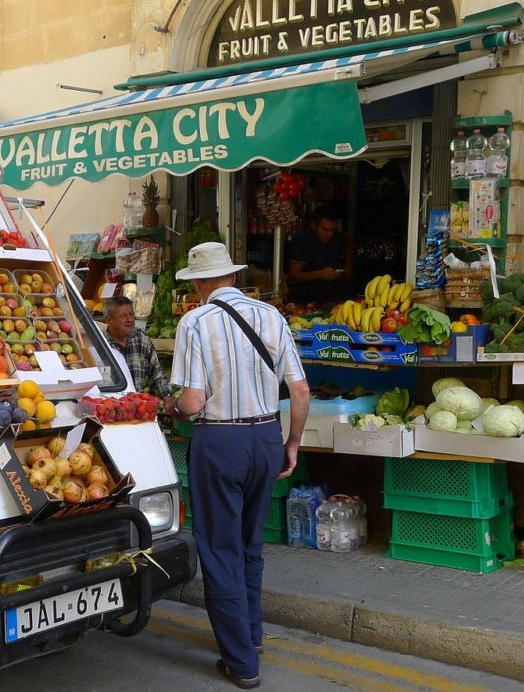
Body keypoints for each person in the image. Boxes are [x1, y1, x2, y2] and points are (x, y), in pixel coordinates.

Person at [170, 242, 310, 689]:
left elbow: (191, 404)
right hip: (267, 436)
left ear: (198, 283)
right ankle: (252, 634)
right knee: (251, 543)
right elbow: (301, 391)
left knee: (218, 549)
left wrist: (169, 407)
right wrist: (291, 444)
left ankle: (241, 662)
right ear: (231, 276)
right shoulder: (272, 316)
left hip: (221, 442)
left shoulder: (194, 321)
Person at [103, 295, 175, 408]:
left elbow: (157, 371)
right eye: (123, 316)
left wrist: (167, 396)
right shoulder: (102, 345)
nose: (129, 319)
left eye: (131, 314)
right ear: (108, 320)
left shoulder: (141, 338)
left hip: (140, 407)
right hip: (113, 407)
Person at [286, 206, 351, 305]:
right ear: (314, 225)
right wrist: (319, 274)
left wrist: (347, 267)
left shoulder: (337, 238)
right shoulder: (304, 243)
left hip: (336, 297)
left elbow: (349, 240)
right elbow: (293, 274)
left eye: (333, 230)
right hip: (310, 299)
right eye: (325, 230)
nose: (330, 234)